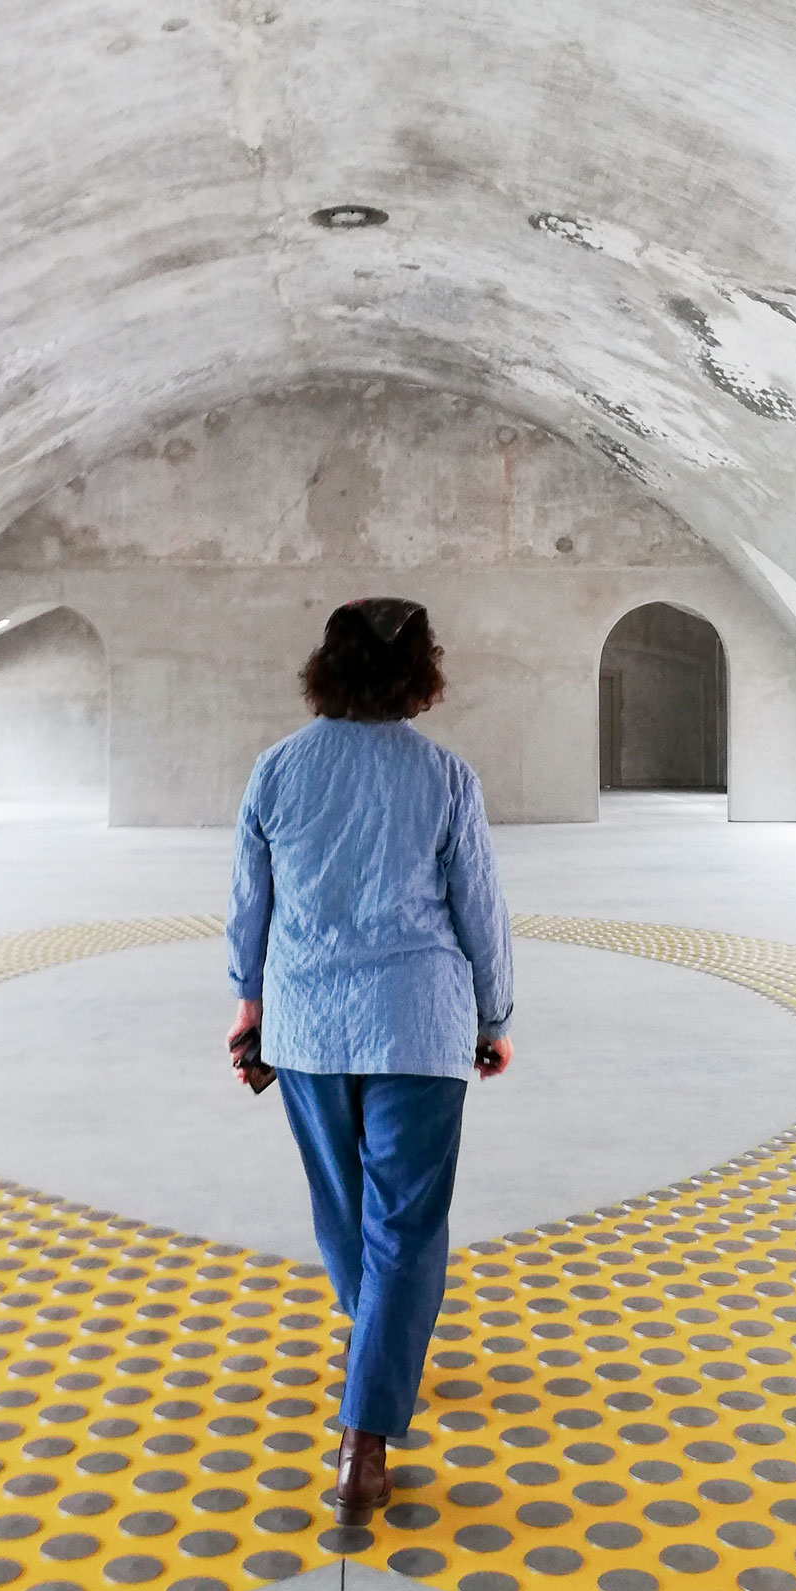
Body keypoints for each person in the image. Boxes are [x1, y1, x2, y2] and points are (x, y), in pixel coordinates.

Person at [224, 597, 514, 1527]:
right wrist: (494, 1015)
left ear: (329, 667)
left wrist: (248, 1002)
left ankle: (374, 1354)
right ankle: (366, 1440)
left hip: (307, 1025)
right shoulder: (446, 777)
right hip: (419, 1025)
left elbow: (249, 901)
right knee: (406, 1224)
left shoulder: (277, 769)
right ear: (421, 672)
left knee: (343, 1209)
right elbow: (480, 909)